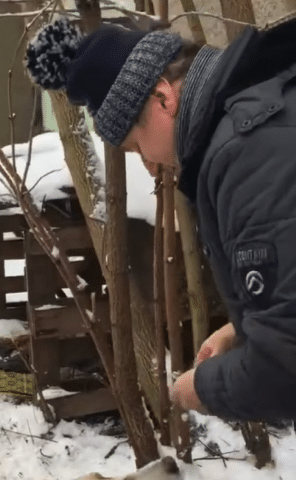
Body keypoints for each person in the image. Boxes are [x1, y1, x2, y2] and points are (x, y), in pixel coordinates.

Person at [25, 16, 296, 422]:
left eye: (137, 147)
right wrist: (246, 325)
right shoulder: (270, 107)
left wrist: (201, 388)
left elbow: (284, 370)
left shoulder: (248, 154)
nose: (151, 166)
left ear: (163, 97)